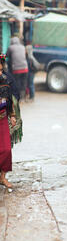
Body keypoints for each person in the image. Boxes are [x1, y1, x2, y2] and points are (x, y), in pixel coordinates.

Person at [0, 54, 18, 189]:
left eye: (1, 70)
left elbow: (10, 99)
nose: (0, 73)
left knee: (6, 149)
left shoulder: (6, 80)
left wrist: (12, 115)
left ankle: (3, 177)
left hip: (2, 119)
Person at [6, 37, 28, 101]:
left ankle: (18, 97)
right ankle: (23, 98)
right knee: (24, 83)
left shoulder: (10, 47)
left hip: (16, 69)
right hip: (25, 68)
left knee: (17, 83)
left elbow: (6, 55)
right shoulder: (23, 47)